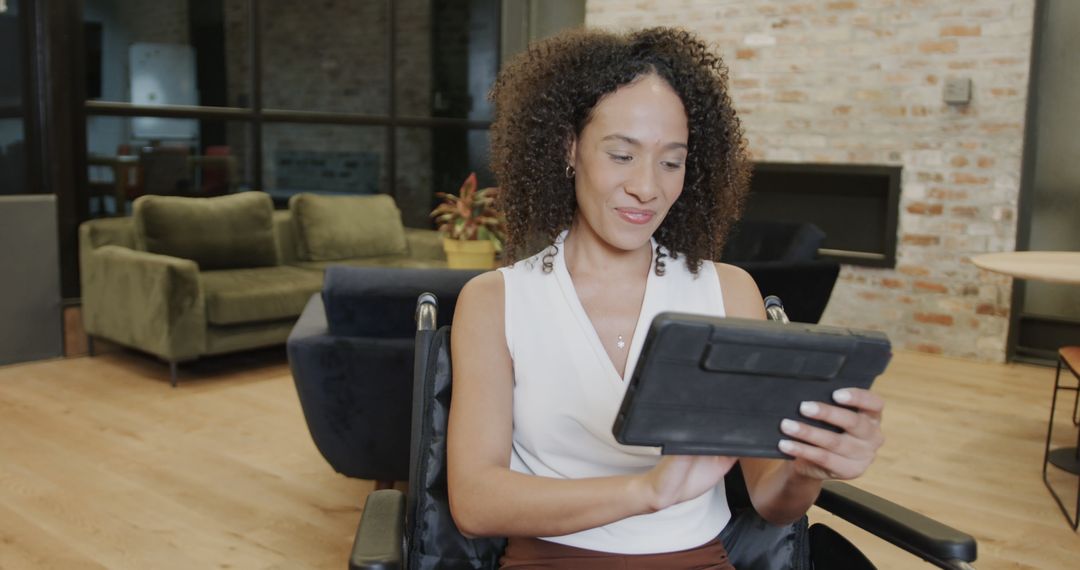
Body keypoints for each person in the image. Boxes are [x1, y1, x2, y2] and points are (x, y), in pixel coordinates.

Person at [447, 27, 885, 569]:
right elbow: (475, 504)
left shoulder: (727, 291)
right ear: (568, 148)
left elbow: (772, 503)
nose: (647, 188)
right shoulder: (497, 299)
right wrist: (646, 492)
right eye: (622, 154)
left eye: (671, 161)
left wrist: (811, 466)